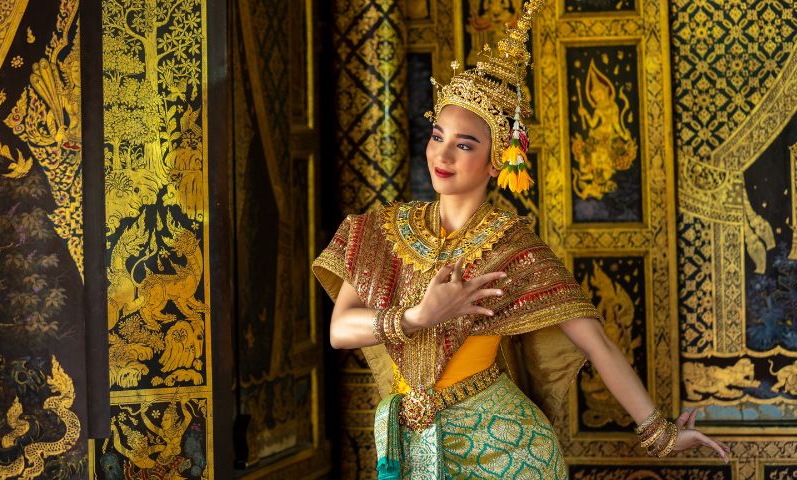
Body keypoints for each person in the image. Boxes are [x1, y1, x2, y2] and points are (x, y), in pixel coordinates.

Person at [312, 0, 730, 477]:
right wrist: (419, 316)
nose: (442, 154)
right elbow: (339, 331)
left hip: (507, 447)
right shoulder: (381, 231)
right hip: (407, 443)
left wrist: (660, 432)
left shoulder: (513, 249)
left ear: (497, 163)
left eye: (465, 144)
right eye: (437, 136)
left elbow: (596, 343)